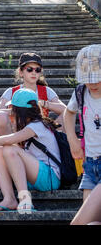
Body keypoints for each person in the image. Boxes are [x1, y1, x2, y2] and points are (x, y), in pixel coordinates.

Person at [0, 88, 61, 213]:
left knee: (8, 149)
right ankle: (9, 199)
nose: (11, 114)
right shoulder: (29, 127)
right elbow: (11, 141)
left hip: (50, 179)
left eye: (13, 110)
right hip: (34, 176)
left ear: (20, 112)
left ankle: (25, 200)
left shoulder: (37, 125)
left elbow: (12, 139)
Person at [63, 44, 101, 224]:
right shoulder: (81, 92)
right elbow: (68, 113)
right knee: (90, 222)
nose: (92, 83)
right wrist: (72, 140)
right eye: (88, 78)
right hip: (90, 164)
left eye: (97, 78)